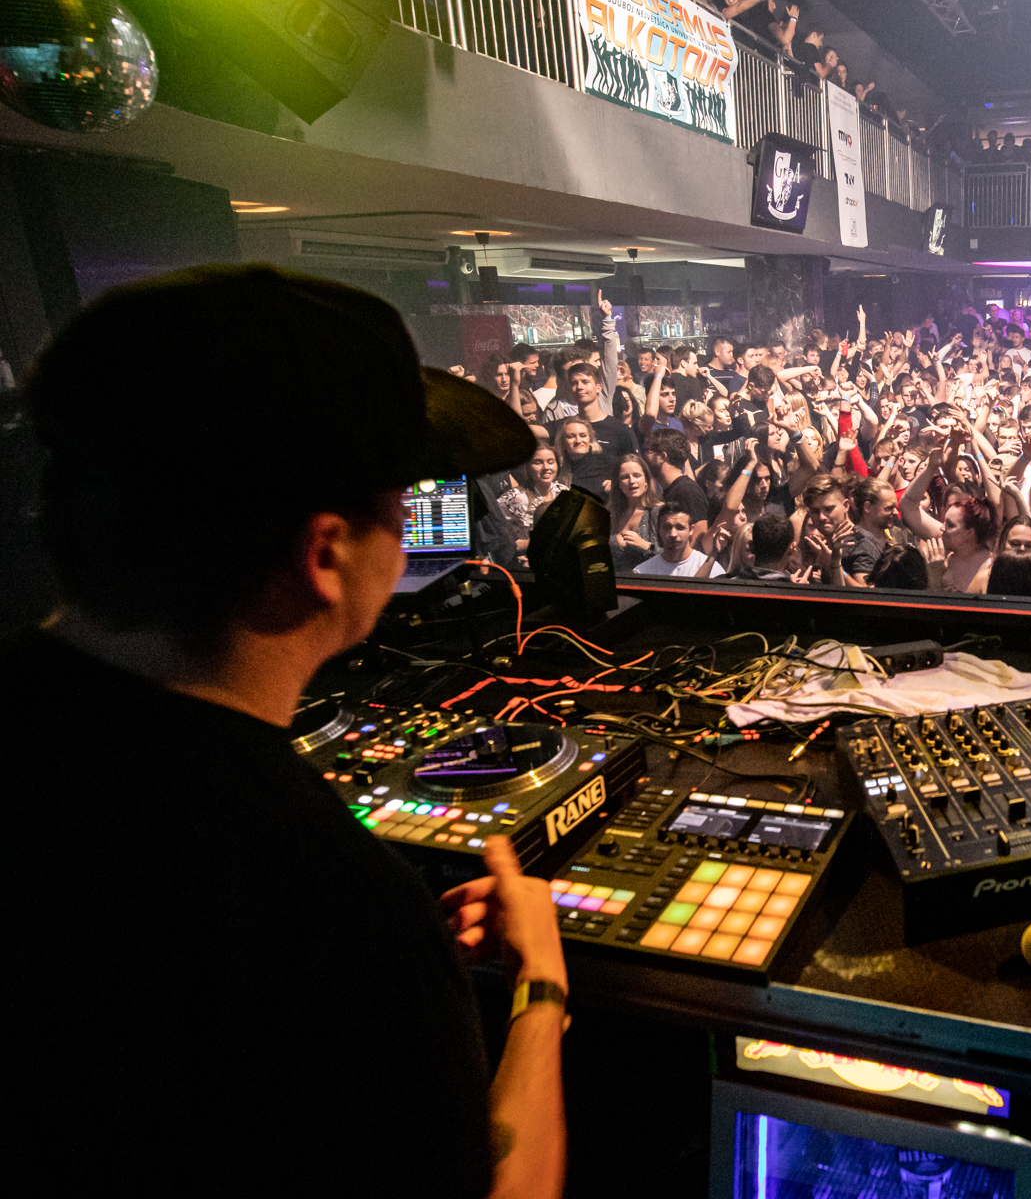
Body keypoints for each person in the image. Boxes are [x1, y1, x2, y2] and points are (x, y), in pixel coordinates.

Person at [12, 265, 566, 1197]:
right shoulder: (330, 908)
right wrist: (541, 988)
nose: (410, 523)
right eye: (401, 496)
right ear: (325, 552)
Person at [635, 502, 709, 576]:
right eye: (667, 527)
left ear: (691, 530)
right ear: (659, 530)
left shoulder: (709, 569)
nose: (673, 534)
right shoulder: (642, 572)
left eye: (680, 528)